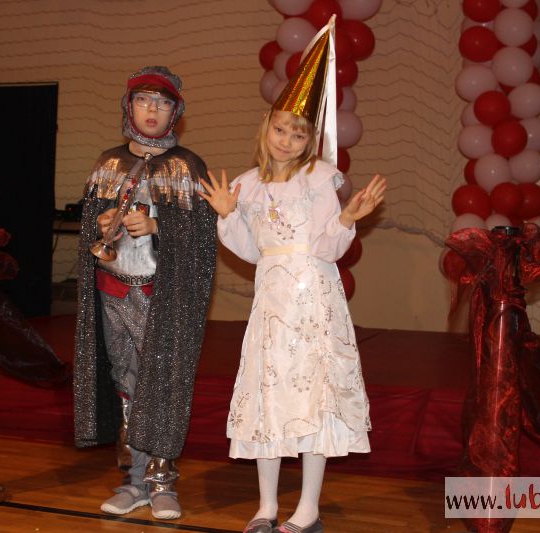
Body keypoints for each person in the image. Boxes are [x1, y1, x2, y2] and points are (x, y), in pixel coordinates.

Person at [198, 20, 386, 533]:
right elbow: (250, 251)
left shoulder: (320, 179)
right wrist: (228, 214)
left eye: (298, 133)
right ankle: (265, 506)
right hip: (273, 301)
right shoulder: (248, 184)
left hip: (314, 300)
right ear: (267, 127)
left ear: (309, 140)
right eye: (280, 130)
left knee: (312, 396)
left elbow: (326, 248)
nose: (286, 140)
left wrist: (346, 218)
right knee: (269, 393)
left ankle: (308, 508)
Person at [73, 65, 217, 520]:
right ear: (128, 107)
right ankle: (133, 480)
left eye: (162, 102)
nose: (152, 110)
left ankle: (162, 481)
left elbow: (205, 240)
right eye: (143, 100)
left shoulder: (187, 166)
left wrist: (157, 226)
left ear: (176, 112)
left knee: (162, 384)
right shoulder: (108, 164)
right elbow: (88, 229)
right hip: (113, 288)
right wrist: (100, 224)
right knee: (124, 384)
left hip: (162, 294)